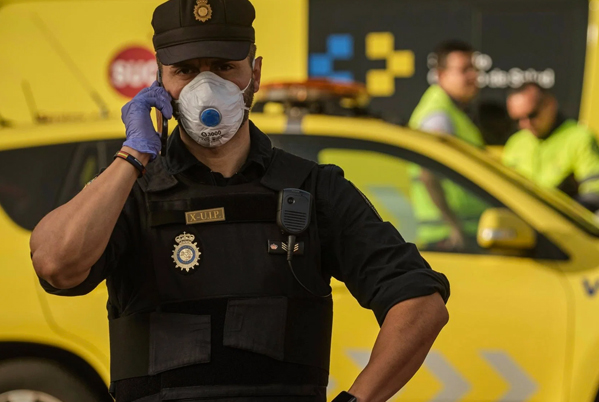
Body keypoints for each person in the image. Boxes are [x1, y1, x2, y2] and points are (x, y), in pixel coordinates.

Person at [29, 1, 449, 401]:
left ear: (256, 73)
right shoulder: (131, 193)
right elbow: (55, 265)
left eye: (224, 67)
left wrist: (356, 400)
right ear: (159, 82)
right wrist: (134, 154)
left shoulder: (312, 189)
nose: (205, 87)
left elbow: (420, 303)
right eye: (185, 70)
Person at [408, 40, 487, 251]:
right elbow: (428, 174)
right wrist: (453, 225)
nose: (473, 76)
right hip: (450, 237)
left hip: (456, 232)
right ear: (441, 75)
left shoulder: (451, 111)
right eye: (464, 69)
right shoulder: (439, 115)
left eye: (474, 68)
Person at [502, 82, 599, 212]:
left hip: (565, 221)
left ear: (550, 104)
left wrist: (564, 212)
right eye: (517, 119)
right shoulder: (516, 143)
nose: (525, 124)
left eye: (532, 115)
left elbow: (596, 194)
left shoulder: (580, 138)